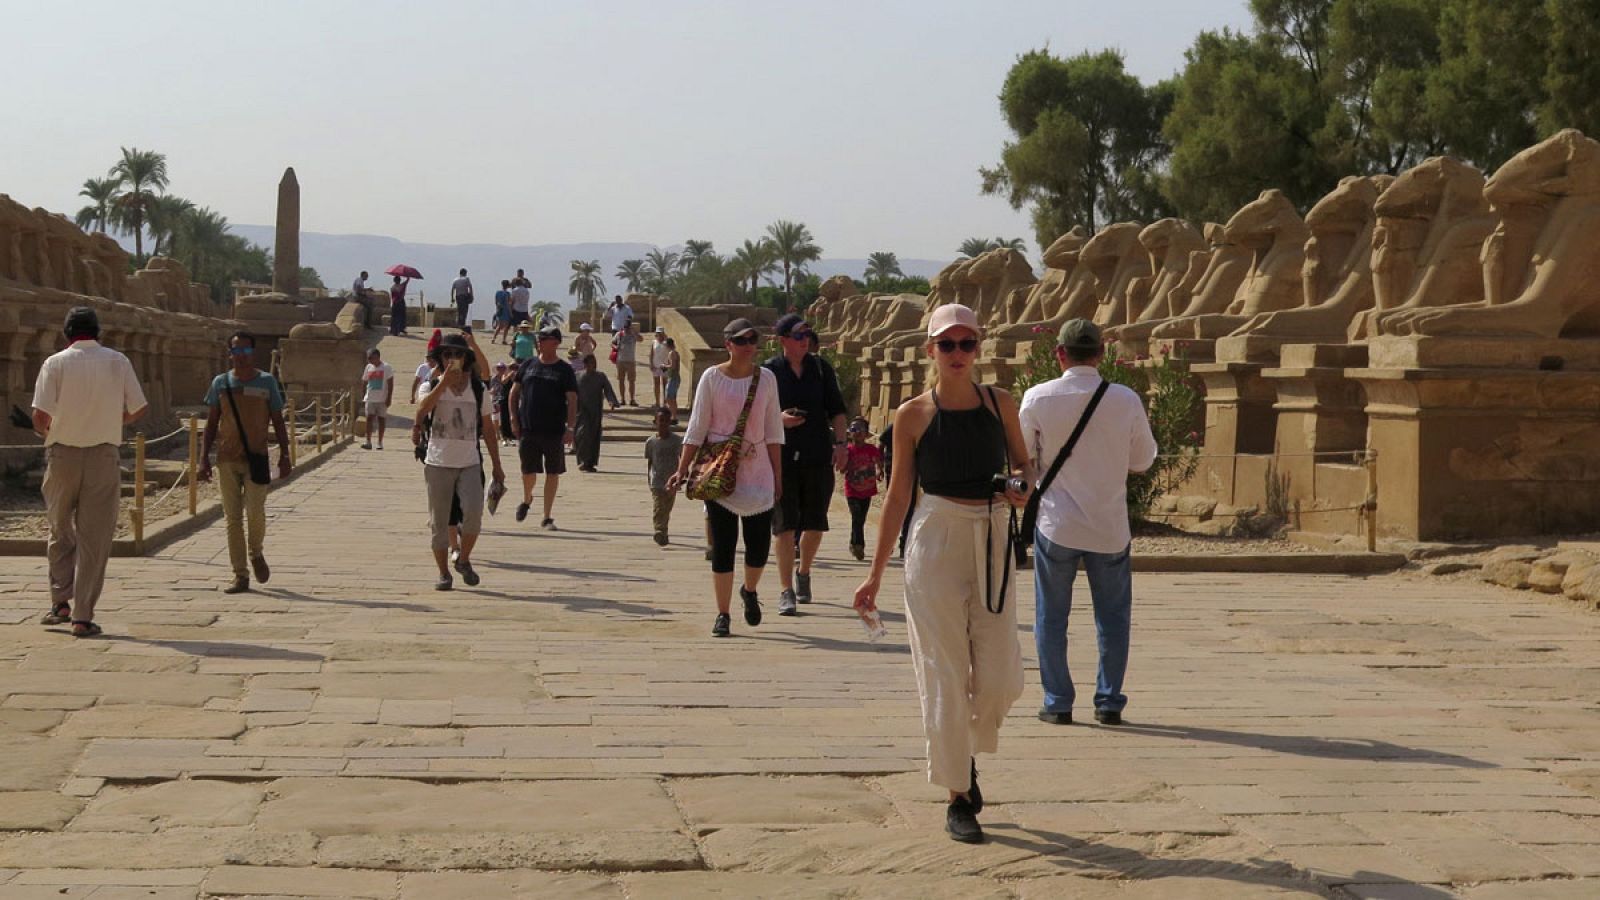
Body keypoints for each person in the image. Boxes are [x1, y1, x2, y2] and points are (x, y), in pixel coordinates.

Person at [852, 303, 1034, 844]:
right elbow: (898, 495)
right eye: (947, 344)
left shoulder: (1000, 403)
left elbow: (1025, 464)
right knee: (944, 672)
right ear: (930, 349)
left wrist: (1021, 485)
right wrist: (875, 575)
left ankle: (963, 749)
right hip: (935, 536)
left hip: (992, 532)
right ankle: (958, 792)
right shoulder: (913, 415)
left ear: (979, 347)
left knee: (1001, 677)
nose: (958, 353)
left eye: (967, 343)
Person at [1021, 318, 1157, 728]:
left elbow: (1023, 460)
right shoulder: (1125, 399)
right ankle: (1109, 700)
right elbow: (1143, 460)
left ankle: (1057, 700)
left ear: (1059, 353)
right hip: (1108, 524)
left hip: (1057, 522)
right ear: (1101, 353)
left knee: (1051, 616)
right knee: (1113, 618)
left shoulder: (1038, 397)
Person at [32, 307, 148, 638]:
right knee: (94, 539)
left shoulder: (55, 363)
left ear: (66, 334)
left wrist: (52, 431)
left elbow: (39, 417)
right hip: (102, 456)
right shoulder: (117, 361)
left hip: (62, 455)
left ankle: (60, 602)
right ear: (98, 332)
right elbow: (139, 407)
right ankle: (82, 616)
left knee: (59, 528)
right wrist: (114, 420)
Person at [666, 318, 784, 638]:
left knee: (758, 547)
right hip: (719, 471)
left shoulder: (767, 379)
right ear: (728, 344)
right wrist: (682, 469)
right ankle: (723, 613)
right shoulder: (712, 378)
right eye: (741, 340)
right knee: (723, 546)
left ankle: (750, 589)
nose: (748, 346)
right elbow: (697, 426)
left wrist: (778, 475)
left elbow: (774, 430)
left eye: (752, 340)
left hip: (757, 471)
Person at [765, 313, 847, 616]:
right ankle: (785, 589)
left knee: (815, 523)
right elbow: (757, 414)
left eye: (808, 335)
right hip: (782, 458)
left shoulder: (821, 369)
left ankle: (804, 571)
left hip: (817, 454)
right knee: (784, 526)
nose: (805, 341)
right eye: (799, 335)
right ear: (783, 340)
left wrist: (842, 445)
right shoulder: (769, 372)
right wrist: (779, 419)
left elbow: (837, 411)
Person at [199, 331, 292, 595]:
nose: (241, 356)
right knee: (232, 519)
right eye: (236, 351)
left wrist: (285, 455)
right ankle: (240, 574)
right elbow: (211, 423)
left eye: (245, 351)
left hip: (256, 458)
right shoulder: (220, 383)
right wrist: (203, 458)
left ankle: (256, 552)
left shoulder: (267, 382)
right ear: (230, 354)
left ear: (253, 353)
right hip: (227, 458)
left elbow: (278, 420)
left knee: (255, 512)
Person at [414, 334, 505, 589]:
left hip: (469, 462)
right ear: (440, 358)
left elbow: (488, 429)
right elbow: (421, 410)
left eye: (458, 354)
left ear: (466, 358)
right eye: (447, 354)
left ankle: (463, 559)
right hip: (438, 462)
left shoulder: (477, 388)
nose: (453, 359)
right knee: (439, 522)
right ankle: (444, 573)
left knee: (474, 514)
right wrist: (443, 384)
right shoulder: (430, 384)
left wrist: (497, 465)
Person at [509, 325, 578, 529]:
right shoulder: (528, 365)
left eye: (544, 339)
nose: (539, 342)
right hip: (528, 428)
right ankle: (527, 498)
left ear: (555, 343)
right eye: (539, 338)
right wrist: (513, 418)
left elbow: (572, 400)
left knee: (552, 472)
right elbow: (514, 393)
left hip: (553, 430)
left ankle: (547, 516)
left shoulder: (564, 370)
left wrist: (570, 428)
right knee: (528, 471)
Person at [841, 417, 883, 561]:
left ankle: (854, 543)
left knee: (861, 518)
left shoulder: (871, 449)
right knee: (857, 516)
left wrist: (879, 471)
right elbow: (842, 469)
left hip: (867, 490)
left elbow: (877, 463)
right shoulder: (847, 450)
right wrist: (845, 462)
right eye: (853, 429)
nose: (857, 432)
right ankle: (858, 545)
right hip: (852, 490)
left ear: (866, 433)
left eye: (860, 429)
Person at [573, 354, 620, 472]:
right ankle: (583, 461)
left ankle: (590, 463)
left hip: (595, 411)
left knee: (593, 436)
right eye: (590, 363)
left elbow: (608, 389)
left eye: (594, 363)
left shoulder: (600, 376)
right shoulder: (577, 376)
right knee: (582, 434)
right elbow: (570, 391)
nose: (592, 365)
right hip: (581, 411)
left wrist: (611, 401)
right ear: (585, 364)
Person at [644, 407, 682, 546]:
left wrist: (681, 476)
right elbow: (650, 461)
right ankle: (659, 530)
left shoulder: (677, 441)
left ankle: (663, 532)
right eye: (661, 420)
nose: (663, 423)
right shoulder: (651, 442)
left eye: (666, 420)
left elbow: (682, 458)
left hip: (671, 481)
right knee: (659, 506)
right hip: (657, 481)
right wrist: (649, 479)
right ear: (655, 422)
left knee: (667, 507)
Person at [359, 347, 394, 450]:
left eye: (371, 358)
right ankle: (368, 441)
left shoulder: (386, 367)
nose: (370, 360)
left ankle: (380, 442)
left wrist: (389, 398)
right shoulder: (368, 367)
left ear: (378, 357)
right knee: (369, 419)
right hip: (370, 398)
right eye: (368, 358)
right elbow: (364, 381)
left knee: (381, 419)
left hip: (382, 399)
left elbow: (390, 384)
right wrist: (363, 394)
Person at [612, 321, 640, 406]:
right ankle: (622, 399)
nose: (626, 329)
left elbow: (641, 339)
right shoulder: (619, 334)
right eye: (625, 327)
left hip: (631, 360)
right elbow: (612, 343)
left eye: (628, 327)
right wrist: (616, 347)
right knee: (621, 380)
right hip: (621, 360)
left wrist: (635, 332)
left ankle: (632, 399)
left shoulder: (633, 335)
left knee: (631, 381)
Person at [649, 326, 671, 408]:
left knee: (665, 384)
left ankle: (665, 402)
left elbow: (671, 351)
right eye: (658, 333)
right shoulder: (654, 342)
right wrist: (651, 364)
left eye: (661, 333)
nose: (659, 335)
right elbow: (651, 354)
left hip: (664, 366)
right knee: (656, 384)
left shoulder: (667, 342)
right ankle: (657, 402)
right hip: (656, 365)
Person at [663, 338, 682, 419]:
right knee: (672, 398)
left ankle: (673, 416)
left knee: (669, 398)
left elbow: (673, 366)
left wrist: (664, 366)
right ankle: (673, 417)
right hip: (673, 377)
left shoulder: (672, 353)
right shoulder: (674, 353)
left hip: (673, 378)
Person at [491, 280, 512, 344]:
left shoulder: (498, 292)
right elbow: (509, 304)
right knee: (506, 326)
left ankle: (493, 338)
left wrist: (498, 309)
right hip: (506, 311)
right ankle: (504, 339)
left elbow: (496, 302)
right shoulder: (508, 294)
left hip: (499, 310)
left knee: (499, 326)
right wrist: (510, 313)